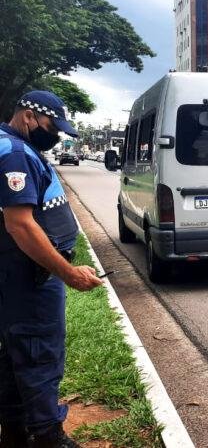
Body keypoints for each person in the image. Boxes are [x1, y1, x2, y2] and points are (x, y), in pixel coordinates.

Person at [0, 91, 103, 447]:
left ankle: (15, 431)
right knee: (38, 355)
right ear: (28, 116)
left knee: (16, 357)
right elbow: (21, 225)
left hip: (22, 275)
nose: (56, 134)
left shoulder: (18, 148)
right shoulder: (14, 154)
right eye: (51, 126)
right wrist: (68, 272)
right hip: (29, 278)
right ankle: (48, 436)